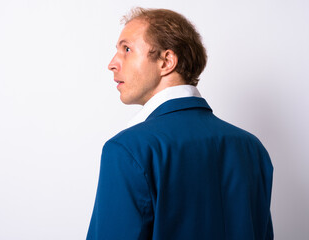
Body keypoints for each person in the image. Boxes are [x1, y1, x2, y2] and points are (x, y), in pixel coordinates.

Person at [87, 7, 273, 240]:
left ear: (166, 61)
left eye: (126, 49)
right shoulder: (252, 148)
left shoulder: (128, 150)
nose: (112, 63)